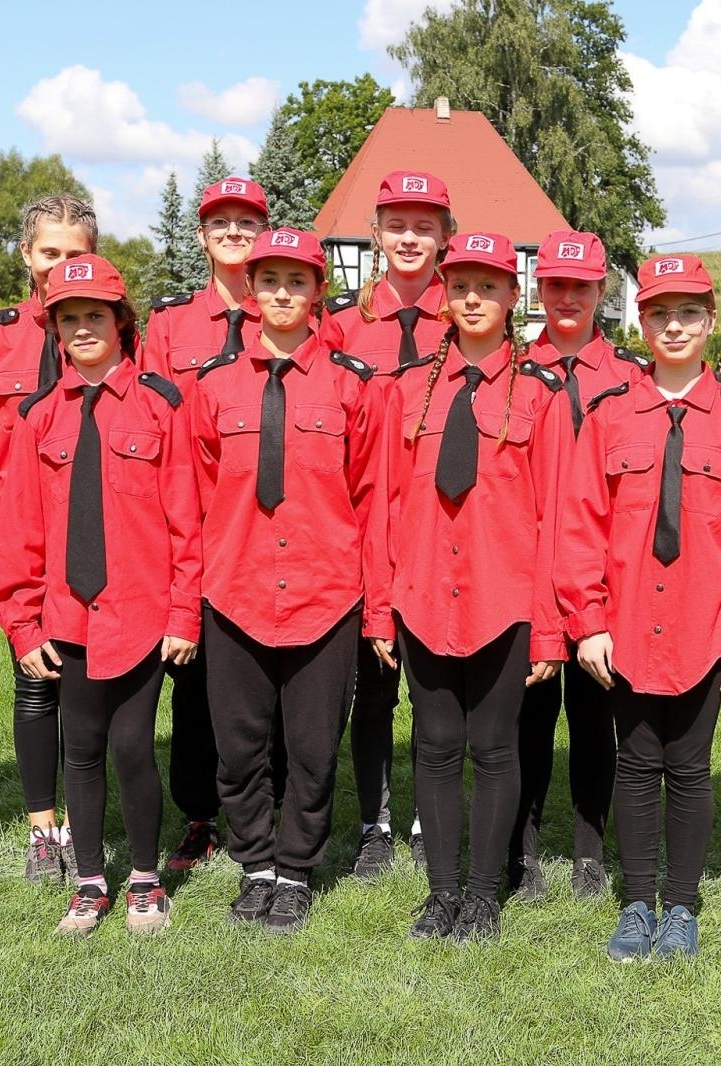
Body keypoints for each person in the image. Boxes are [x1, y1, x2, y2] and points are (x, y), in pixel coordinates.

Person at [556, 254, 721, 961]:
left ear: (711, 321)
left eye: (688, 313)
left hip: (702, 627)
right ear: (641, 321)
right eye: (659, 313)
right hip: (623, 625)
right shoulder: (609, 415)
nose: (674, 326)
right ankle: (635, 904)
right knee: (633, 763)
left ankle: (680, 905)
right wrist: (586, 620)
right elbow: (580, 522)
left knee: (688, 766)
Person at [366, 231, 567, 942]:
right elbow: (385, 505)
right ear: (445, 297)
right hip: (422, 599)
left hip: (503, 605)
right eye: (461, 287)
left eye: (489, 286)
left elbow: (557, 519)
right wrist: (380, 610)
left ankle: (485, 896)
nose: (473, 298)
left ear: (514, 297)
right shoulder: (407, 391)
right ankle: (441, 894)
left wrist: (550, 627)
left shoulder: (543, 397)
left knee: (496, 749)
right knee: (434, 746)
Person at [0, 254, 201, 936]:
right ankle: (89, 883)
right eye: (69, 318)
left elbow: (185, 520)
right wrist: (22, 626)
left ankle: (145, 879)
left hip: (141, 616)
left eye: (95, 316)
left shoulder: (162, 406)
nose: (83, 329)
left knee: (133, 746)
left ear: (121, 322)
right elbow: (20, 528)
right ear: (54, 329)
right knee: (78, 746)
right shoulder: (37, 418)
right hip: (66, 616)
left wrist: (182, 614)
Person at [190, 229, 382, 933]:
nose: (280, 292)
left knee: (310, 746)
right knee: (239, 746)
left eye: (296, 281)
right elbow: (195, 493)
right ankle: (255, 864)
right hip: (234, 588)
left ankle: (296, 869)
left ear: (316, 291)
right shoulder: (212, 387)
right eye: (267, 279)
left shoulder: (352, 386)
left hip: (325, 593)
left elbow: (371, 494)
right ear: (249, 289)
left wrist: (375, 602)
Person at [322, 170, 457, 877]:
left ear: (445, 238)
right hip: (360, 529)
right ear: (375, 233)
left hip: (441, 530)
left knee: (434, 687)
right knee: (371, 687)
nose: (410, 238)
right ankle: (374, 819)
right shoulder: (340, 325)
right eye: (397, 225)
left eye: (424, 225)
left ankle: (426, 819)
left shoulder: (465, 319)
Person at [513, 230, 650, 901]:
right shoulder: (509, 371)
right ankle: (525, 851)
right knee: (528, 722)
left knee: (596, 721)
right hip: (525, 573)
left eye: (583, 286)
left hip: (601, 577)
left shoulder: (630, 379)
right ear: (540, 288)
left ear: (602, 292)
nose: (568, 297)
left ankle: (590, 853)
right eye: (557, 285)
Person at [142, 175, 268, 875]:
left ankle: (266, 805)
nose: (234, 233)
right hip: (191, 519)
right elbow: (154, 418)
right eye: (221, 223)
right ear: (202, 236)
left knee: (269, 676)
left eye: (247, 222)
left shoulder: (290, 306)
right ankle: (197, 815)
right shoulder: (169, 324)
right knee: (193, 678)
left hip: (265, 519)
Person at [0, 194, 97, 883]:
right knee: (32, 679)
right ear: (27, 256)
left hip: (90, 540)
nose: (61, 267)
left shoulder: (107, 331)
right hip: (19, 537)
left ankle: (82, 820)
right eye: (51, 253)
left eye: (76, 255)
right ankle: (40, 829)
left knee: (84, 685)